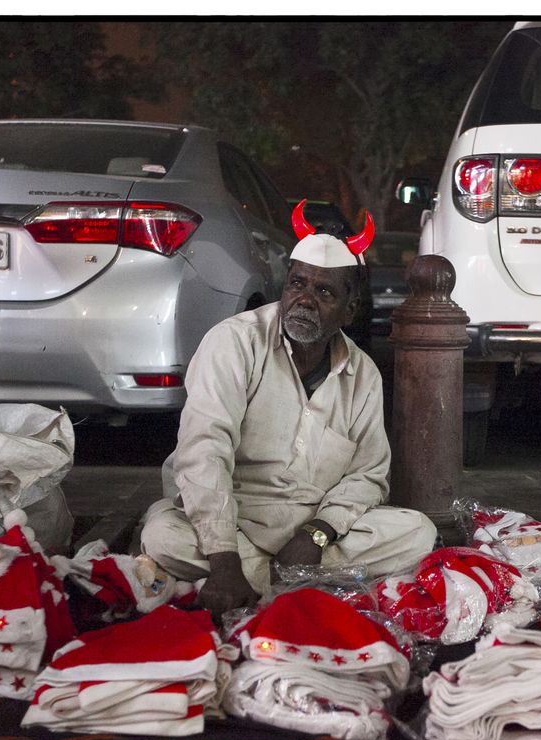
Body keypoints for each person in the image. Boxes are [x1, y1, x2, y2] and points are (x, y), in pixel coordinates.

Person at [140, 200, 437, 619]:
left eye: (324, 292)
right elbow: (204, 449)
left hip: (312, 535)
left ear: (349, 310)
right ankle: (296, 587)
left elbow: (369, 475)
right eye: (297, 285)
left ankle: (269, 582)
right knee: (164, 536)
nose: (305, 300)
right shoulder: (234, 343)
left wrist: (317, 534)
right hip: (232, 522)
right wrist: (224, 558)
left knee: (418, 532)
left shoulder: (363, 374)